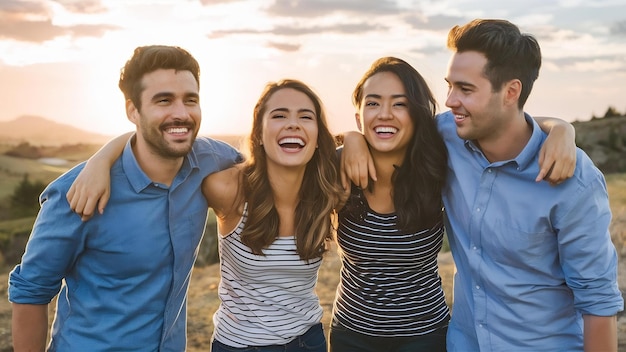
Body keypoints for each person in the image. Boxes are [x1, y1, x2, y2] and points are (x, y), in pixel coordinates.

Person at [343, 19, 623, 351]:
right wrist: (352, 139)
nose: (449, 101)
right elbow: (387, 132)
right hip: (464, 343)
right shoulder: (446, 136)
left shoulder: (573, 181)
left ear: (511, 92)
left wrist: (564, 131)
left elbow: (598, 302)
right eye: (450, 86)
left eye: (465, 89)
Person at [66, 79, 345, 351]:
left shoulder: (329, 190)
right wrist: (101, 159)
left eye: (305, 117)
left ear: (318, 137)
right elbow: (159, 142)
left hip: (310, 340)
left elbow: (376, 145)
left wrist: (354, 139)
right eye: (279, 115)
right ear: (258, 134)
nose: (293, 123)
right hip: (242, 345)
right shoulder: (228, 189)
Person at [8, 45, 242, 351]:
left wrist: (105, 153)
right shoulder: (77, 194)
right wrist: (103, 160)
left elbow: (274, 162)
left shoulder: (211, 159)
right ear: (133, 110)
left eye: (191, 100)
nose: (181, 113)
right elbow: (30, 293)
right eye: (164, 100)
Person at [328, 57, 449, 352]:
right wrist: (351, 139)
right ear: (358, 116)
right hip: (351, 333)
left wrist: (562, 129)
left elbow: (505, 127)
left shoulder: (439, 163)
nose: (384, 114)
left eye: (399, 104)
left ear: (418, 114)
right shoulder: (336, 165)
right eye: (373, 103)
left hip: (425, 335)